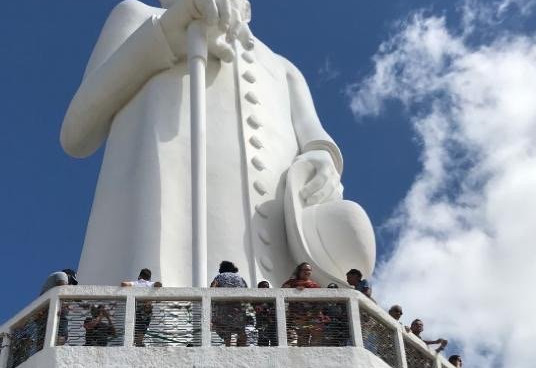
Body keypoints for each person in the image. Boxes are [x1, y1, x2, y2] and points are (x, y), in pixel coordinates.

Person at [60, 0, 374, 288]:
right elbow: (76, 133)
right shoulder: (141, 17)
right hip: (163, 211)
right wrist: (168, 33)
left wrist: (322, 157)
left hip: (277, 263)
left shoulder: (284, 69)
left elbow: (315, 138)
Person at [211, 261, 249, 347]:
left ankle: (228, 348)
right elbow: (247, 291)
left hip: (224, 308)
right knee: (240, 330)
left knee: (226, 332)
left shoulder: (219, 277)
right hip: (238, 309)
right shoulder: (240, 278)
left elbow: (212, 289)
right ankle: (242, 349)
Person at [283, 263, 320, 346]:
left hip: (313, 315)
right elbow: (282, 291)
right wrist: (295, 290)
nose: (307, 272)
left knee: (316, 336)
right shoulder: (292, 283)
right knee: (302, 337)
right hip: (298, 316)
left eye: (309, 270)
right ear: (299, 271)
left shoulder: (314, 285)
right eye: (305, 270)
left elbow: (319, 300)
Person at [122, 269, 157, 346]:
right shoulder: (150, 284)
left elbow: (124, 284)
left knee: (137, 325)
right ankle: (139, 342)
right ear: (149, 277)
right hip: (147, 309)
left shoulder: (136, 283)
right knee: (143, 326)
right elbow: (159, 284)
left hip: (138, 308)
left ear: (140, 275)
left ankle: (136, 341)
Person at [253, 281, 277, 347]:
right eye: (263, 286)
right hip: (262, 323)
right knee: (263, 341)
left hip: (272, 323)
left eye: (267, 286)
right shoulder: (256, 298)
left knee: (274, 340)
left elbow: (274, 308)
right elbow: (257, 308)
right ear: (259, 288)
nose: (266, 288)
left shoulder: (273, 298)